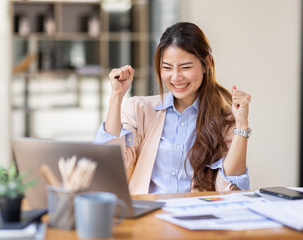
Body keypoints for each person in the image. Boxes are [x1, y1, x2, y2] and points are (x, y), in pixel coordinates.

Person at [94, 22, 251, 194]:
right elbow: (112, 170)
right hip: (147, 215)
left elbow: (230, 188)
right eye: (167, 67)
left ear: (207, 64)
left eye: (186, 67)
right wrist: (116, 96)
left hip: (196, 216)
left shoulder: (224, 118)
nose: (176, 77)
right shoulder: (139, 110)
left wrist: (241, 126)